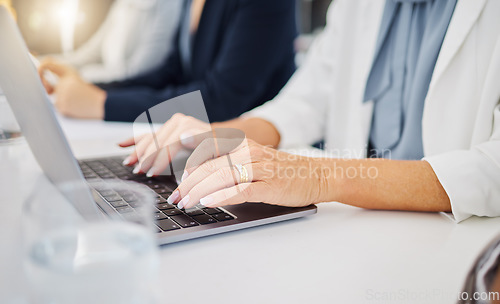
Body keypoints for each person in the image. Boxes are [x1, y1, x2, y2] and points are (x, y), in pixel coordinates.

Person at [119, 0, 500, 220]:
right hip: (363, 226)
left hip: (453, 236)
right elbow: (307, 100)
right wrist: (220, 133)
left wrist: (320, 177)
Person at [38, 0, 297, 122]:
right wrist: (90, 88)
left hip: (256, 156)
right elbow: (170, 72)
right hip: (203, 145)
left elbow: (221, 100)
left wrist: (103, 104)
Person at [43, 0, 182, 84]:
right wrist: (46, 62)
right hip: (101, 85)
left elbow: (140, 71)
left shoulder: (167, 4)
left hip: (122, 94)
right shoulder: (122, 4)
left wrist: (77, 76)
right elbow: (91, 53)